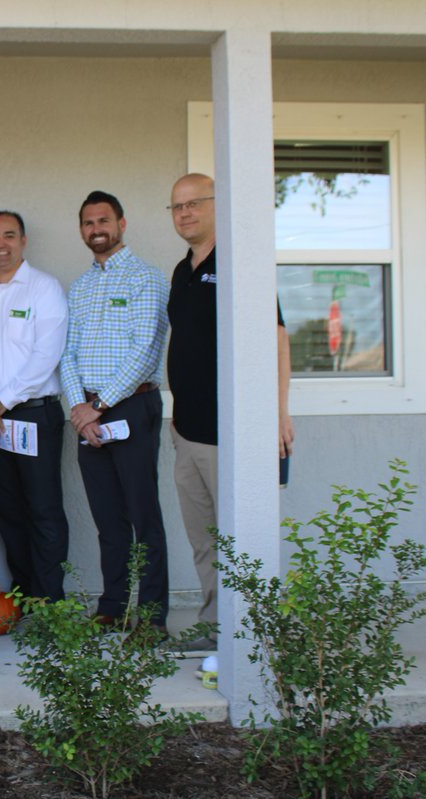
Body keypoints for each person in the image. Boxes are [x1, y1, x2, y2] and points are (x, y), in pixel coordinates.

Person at [166, 173, 296, 655]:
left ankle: (254, 636)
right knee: (204, 539)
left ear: (219, 205)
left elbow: (276, 338)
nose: (185, 213)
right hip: (187, 432)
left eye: (194, 203)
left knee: (241, 541)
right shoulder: (183, 271)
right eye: (177, 206)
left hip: (233, 433)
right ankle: (213, 624)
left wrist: (278, 412)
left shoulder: (241, 263)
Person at [60, 190, 171, 636]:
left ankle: (150, 615)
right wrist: (78, 410)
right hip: (88, 414)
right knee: (107, 519)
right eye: (88, 223)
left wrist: (98, 407)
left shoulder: (148, 278)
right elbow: (66, 354)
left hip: (131, 406)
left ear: (122, 224)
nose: (96, 229)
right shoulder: (80, 287)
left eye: (103, 221)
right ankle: (112, 606)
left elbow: (145, 351)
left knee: (143, 515)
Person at [0, 211, 70, 601]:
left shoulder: (44, 288)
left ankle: (50, 602)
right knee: (8, 513)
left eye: (9, 235)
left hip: (33, 416)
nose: (0, 244)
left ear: (24, 241)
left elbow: (47, 354)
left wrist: (0, 401)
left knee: (43, 512)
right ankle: (27, 598)